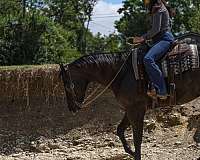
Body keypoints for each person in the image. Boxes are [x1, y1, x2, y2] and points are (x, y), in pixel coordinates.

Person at [133, 0, 174, 99]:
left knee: (148, 59)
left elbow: (156, 29)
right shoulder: (157, 7)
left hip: (164, 39)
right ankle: (151, 87)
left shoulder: (158, 7)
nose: (145, 1)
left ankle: (162, 90)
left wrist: (142, 38)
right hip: (158, 40)